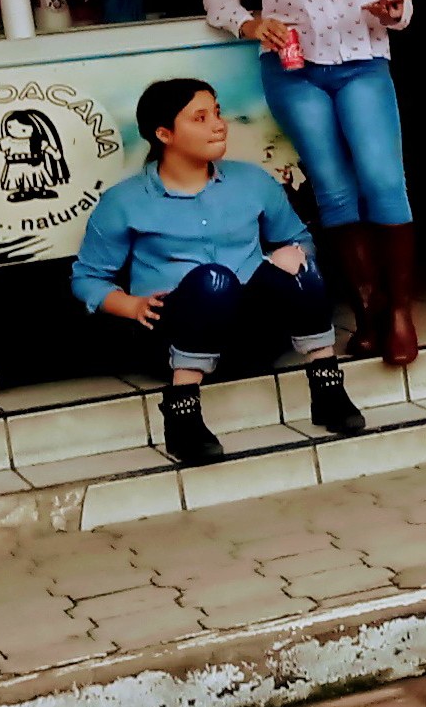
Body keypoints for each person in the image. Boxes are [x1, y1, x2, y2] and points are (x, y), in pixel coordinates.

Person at [204, 0, 423, 366]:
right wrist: (251, 24)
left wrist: (394, 9)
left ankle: (400, 314)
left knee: (382, 180)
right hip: (294, 70)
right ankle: (369, 313)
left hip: (362, 61)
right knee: (333, 190)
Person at [74, 78, 366, 467]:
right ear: (165, 134)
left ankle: (328, 391)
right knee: (213, 280)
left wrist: (290, 254)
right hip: (173, 337)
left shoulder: (253, 182)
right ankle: (183, 415)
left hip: (252, 332)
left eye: (217, 112)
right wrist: (130, 305)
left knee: (296, 263)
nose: (218, 124)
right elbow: (87, 277)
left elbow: (297, 237)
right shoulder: (124, 201)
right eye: (200, 117)